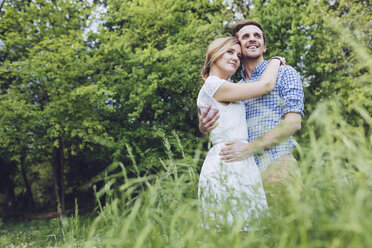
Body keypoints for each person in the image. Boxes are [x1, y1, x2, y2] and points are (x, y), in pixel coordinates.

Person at [198, 20, 304, 198]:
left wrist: (250, 148)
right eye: (245, 36)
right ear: (239, 48)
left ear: (264, 47)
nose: (252, 39)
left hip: (276, 165)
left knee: (286, 224)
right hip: (242, 173)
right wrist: (204, 128)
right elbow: (220, 127)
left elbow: (293, 123)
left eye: (257, 36)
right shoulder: (234, 88)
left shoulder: (285, 72)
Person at [197, 36, 284, 230]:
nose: (236, 58)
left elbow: (209, 126)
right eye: (229, 52)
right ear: (214, 54)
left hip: (239, 159)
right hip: (227, 162)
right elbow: (266, 86)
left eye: (238, 54)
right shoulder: (214, 85)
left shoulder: (225, 86)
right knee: (235, 231)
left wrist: (203, 129)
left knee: (247, 230)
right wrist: (276, 60)